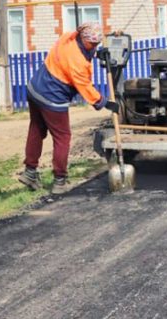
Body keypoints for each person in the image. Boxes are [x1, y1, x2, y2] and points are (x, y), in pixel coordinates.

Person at [18, 23, 117, 195]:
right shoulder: (77, 62)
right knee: (62, 137)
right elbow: (85, 87)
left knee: (36, 129)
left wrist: (100, 45)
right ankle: (59, 181)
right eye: (93, 44)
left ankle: (30, 172)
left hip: (34, 90)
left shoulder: (68, 37)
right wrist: (104, 102)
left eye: (97, 44)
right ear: (83, 39)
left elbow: (88, 40)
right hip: (53, 98)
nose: (95, 47)